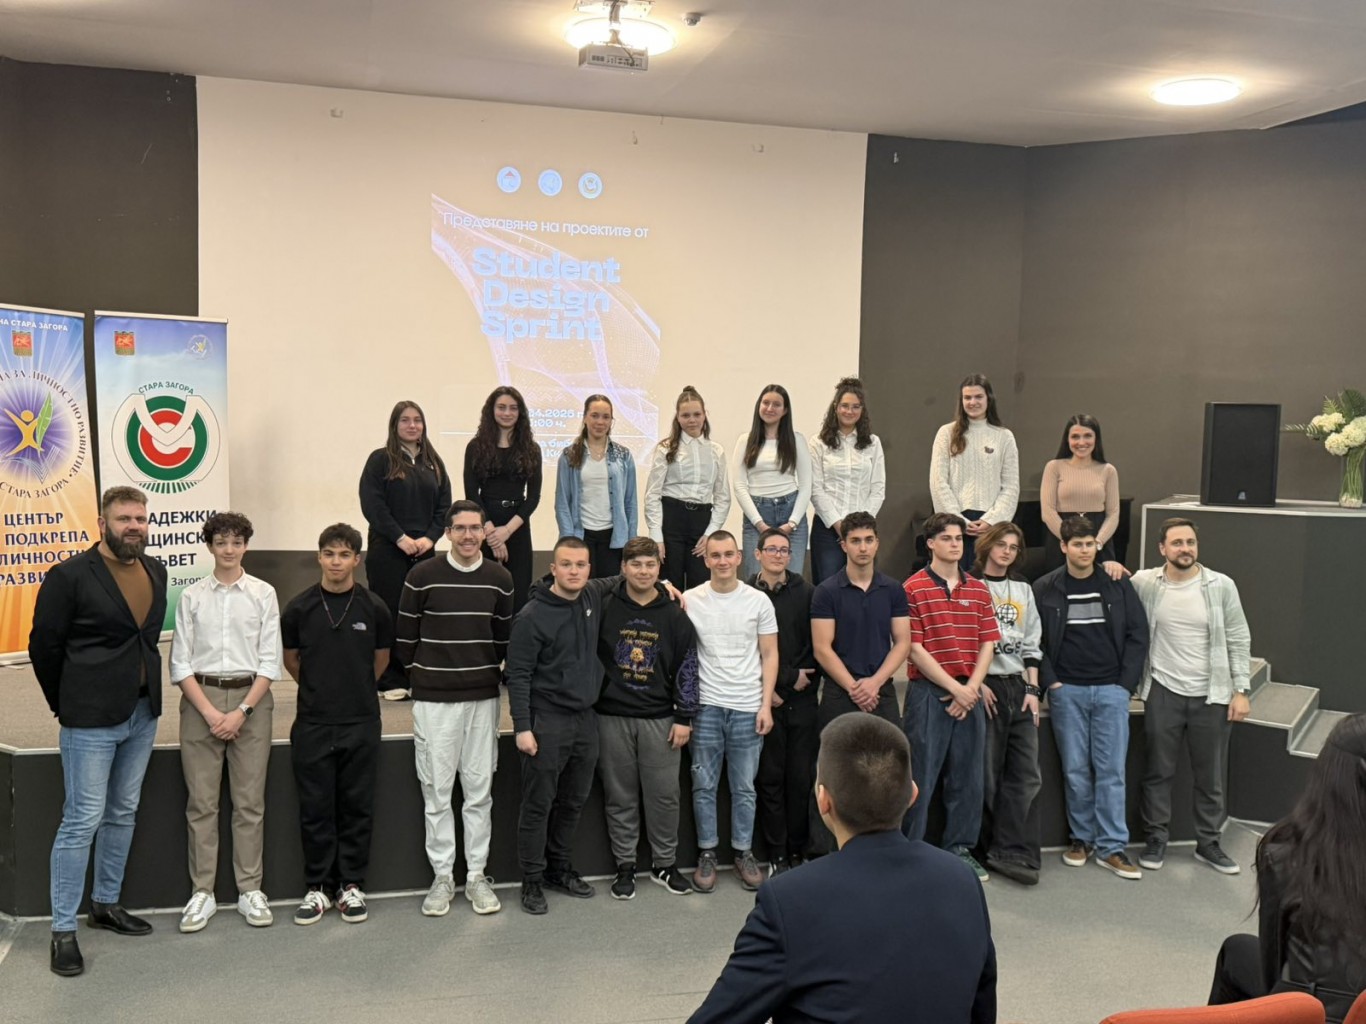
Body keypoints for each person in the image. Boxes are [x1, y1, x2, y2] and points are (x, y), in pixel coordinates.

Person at [688, 714, 997, 1024]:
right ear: (913, 795)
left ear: (824, 800)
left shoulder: (789, 900)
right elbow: (982, 1008)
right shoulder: (962, 880)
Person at [29, 486, 168, 977]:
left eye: (141, 519)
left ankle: (105, 905)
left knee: (122, 811)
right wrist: (65, 703)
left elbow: (145, 638)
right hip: (88, 719)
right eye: (125, 518)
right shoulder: (68, 576)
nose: (134, 526)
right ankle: (63, 930)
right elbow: (44, 646)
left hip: (142, 714)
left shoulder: (156, 570)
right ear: (102, 524)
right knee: (82, 820)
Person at [1208, 714, 1366, 1024]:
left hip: (1310, 1014)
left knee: (1237, 952)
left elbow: (1273, 966)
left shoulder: (1286, 854)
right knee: (1237, 950)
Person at [397, 500, 513, 918]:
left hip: (482, 699)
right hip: (434, 701)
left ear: (484, 532)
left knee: (479, 793)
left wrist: (480, 673)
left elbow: (502, 639)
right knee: (437, 793)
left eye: (475, 528)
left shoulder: (500, 579)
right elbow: (405, 639)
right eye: (460, 528)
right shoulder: (421, 575)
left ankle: (477, 875)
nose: (468, 535)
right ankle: (443, 876)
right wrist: (427, 676)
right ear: (447, 533)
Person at [169, 511, 282, 933]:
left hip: (252, 701)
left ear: (246, 546)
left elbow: (270, 661)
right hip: (202, 701)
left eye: (236, 542)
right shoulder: (192, 596)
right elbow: (180, 663)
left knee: (249, 802)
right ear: (210, 546)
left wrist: (242, 712)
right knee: (202, 803)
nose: (229, 550)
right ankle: (203, 892)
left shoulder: (263, 593)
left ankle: (250, 888)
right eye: (221, 542)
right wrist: (212, 713)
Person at [280, 523, 394, 926]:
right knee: (315, 808)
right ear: (319, 557)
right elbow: (291, 660)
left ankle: (350, 885)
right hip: (313, 722)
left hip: (361, 720)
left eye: (344, 554)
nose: (336, 562)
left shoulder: (374, 608)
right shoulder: (299, 608)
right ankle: (318, 887)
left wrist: (354, 689)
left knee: (356, 807)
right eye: (329, 553)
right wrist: (320, 690)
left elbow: (380, 660)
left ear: (356, 560)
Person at [1129, 517, 1252, 875]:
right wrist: (1111, 566)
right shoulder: (1145, 582)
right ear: (1162, 548)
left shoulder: (1221, 585)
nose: (1185, 549)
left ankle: (1208, 843)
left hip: (1211, 695)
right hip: (1162, 691)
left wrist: (1240, 690)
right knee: (1158, 772)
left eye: (1190, 542)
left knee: (1210, 777)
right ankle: (1156, 839)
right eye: (1177, 542)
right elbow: (1115, 581)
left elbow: (1238, 637)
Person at [1034, 516, 1149, 880]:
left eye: (1090, 544)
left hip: (1111, 690)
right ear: (1064, 547)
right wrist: (1052, 684)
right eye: (1077, 544)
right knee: (1075, 770)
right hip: (1066, 692)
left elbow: (1138, 634)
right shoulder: (1046, 587)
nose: (1084, 551)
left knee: (1112, 771)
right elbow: (1035, 641)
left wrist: (1124, 685)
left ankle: (1112, 847)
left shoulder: (1117, 583)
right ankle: (1081, 839)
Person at [505, 536, 614, 914]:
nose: (574, 571)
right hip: (546, 721)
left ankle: (558, 869)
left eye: (581, 565)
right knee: (538, 805)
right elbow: (518, 675)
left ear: (589, 569)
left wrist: (664, 585)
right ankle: (532, 880)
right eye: (566, 564)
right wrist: (522, 727)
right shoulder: (531, 616)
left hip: (586, 720)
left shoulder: (592, 594)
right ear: (553, 568)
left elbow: (622, 578)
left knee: (572, 802)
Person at [594, 536, 700, 900]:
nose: (643, 571)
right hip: (612, 716)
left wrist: (684, 716)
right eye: (636, 564)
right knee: (619, 795)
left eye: (650, 565)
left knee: (664, 796)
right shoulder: (604, 605)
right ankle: (625, 865)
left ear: (659, 568)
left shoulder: (674, 614)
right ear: (623, 568)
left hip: (661, 719)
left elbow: (688, 666)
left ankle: (664, 864)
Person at [901, 512, 1000, 883]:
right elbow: (914, 648)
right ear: (930, 544)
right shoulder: (912, 588)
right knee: (920, 776)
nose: (955, 544)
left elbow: (988, 642)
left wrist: (970, 687)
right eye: (947, 538)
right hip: (929, 693)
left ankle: (960, 849)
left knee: (968, 778)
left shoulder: (978, 589)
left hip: (969, 692)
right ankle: (909, 852)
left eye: (959, 538)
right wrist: (954, 688)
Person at [809, 511, 912, 857]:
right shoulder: (826, 591)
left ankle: (888, 852)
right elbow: (822, 649)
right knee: (830, 775)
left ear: (877, 543)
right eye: (855, 541)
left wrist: (874, 684)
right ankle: (825, 854)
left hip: (881, 692)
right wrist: (855, 687)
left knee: (892, 772)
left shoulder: (893, 590)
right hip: (839, 693)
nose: (863, 547)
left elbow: (902, 642)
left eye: (868, 540)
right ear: (843, 545)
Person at [685, 530, 779, 893]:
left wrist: (765, 704)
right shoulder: (690, 600)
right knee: (703, 786)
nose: (722, 561)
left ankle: (743, 852)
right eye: (715, 555)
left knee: (744, 789)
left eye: (728, 554)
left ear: (739, 557)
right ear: (706, 559)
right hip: (706, 708)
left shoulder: (758, 602)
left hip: (747, 707)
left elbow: (769, 654)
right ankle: (707, 853)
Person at [359, 399, 451, 698]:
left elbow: (444, 506)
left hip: (424, 551)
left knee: (422, 614)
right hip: (388, 549)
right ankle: (390, 680)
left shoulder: (434, 463)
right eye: (405, 420)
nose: (412, 425)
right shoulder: (380, 460)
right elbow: (373, 505)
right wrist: (400, 538)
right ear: (394, 425)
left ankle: (418, 674)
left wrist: (430, 539)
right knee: (389, 613)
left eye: (417, 420)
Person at [972, 522, 1045, 886]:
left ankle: (1014, 849)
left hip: (1019, 686)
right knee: (987, 774)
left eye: (1013, 547)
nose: (1006, 552)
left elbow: (1032, 643)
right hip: (985, 686)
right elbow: (966, 641)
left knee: (1026, 775)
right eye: (1001, 544)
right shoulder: (972, 587)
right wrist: (976, 683)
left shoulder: (1023, 589)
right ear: (987, 545)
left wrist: (1033, 690)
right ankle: (988, 849)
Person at [749, 528, 818, 875]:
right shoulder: (745, 594)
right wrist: (771, 687)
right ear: (757, 553)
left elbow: (816, 645)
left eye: (784, 550)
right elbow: (745, 649)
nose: (778, 555)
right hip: (765, 700)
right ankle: (776, 853)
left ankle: (798, 851)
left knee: (801, 779)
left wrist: (793, 682)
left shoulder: (808, 593)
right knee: (770, 779)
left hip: (802, 699)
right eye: (771, 549)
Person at [463, 385, 543, 613]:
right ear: (492, 410)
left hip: (517, 526)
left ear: (520, 413)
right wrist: (491, 535)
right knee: (484, 595)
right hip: (484, 526)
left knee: (518, 595)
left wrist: (506, 532)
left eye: (513, 408)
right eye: (501, 407)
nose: (507, 413)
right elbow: (472, 493)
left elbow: (533, 497)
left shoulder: (531, 449)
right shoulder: (475, 447)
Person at [643, 385, 731, 592]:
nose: (692, 420)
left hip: (701, 523)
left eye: (697, 414)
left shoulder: (716, 451)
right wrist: (656, 536)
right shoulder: (666, 448)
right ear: (678, 417)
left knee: (700, 587)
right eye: (686, 415)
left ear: (704, 415)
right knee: (669, 585)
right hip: (672, 520)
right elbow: (652, 494)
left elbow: (723, 497)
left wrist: (711, 533)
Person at [929, 374, 1020, 573]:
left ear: (989, 399)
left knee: (986, 584)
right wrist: (957, 521)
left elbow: (1011, 487)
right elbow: (938, 482)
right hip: (955, 526)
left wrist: (991, 521)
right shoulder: (946, 433)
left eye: (978, 397)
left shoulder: (1004, 437)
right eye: (967, 397)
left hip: (991, 528)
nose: (973, 402)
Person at [807, 377, 886, 586]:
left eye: (855, 407)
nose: (849, 411)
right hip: (828, 529)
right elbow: (815, 489)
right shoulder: (818, 443)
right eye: (844, 406)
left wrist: (861, 525)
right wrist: (839, 525)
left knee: (863, 586)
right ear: (835, 407)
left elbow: (878, 488)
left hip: (863, 530)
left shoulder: (873, 443)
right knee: (828, 587)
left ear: (862, 410)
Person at [554, 393, 638, 578]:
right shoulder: (569, 455)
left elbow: (630, 502)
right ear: (585, 418)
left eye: (606, 417)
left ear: (611, 421)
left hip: (614, 537)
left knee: (610, 588)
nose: (600, 422)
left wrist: (631, 542)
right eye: (594, 415)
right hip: (581, 536)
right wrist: (568, 541)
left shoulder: (624, 456)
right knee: (582, 588)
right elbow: (562, 503)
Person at [732, 384, 812, 578]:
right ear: (759, 406)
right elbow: (739, 485)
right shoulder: (745, 440)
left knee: (792, 581)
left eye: (776, 404)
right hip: (756, 516)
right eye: (765, 403)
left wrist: (791, 524)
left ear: (785, 410)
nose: (770, 408)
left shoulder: (796, 440)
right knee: (755, 579)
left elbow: (806, 485)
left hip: (791, 514)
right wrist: (759, 524)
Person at [1040, 413, 1120, 575]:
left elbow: (1113, 514)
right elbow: (1048, 512)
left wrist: (1096, 543)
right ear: (1067, 440)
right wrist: (1069, 542)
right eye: (1075, 437)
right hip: (1061, 539)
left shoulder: (1108, 470)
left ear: (1096, 438)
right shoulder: (1054, 467)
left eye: (1088, 436)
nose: (1081, 442)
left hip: (1098, 539)